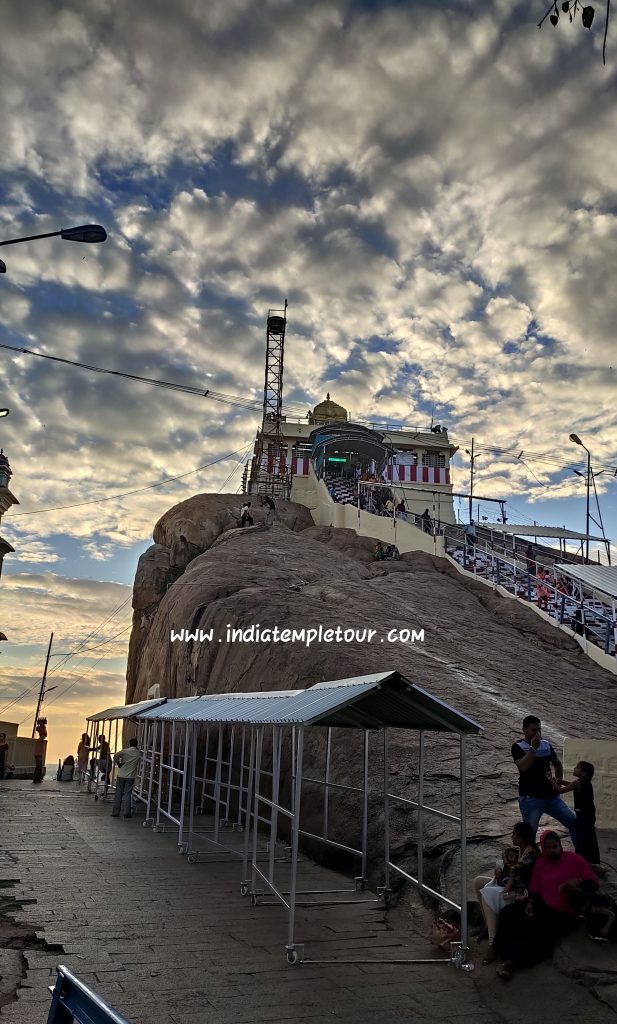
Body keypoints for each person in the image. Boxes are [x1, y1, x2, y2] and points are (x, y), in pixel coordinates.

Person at [493, 830, 599, 979]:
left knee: (537, 933)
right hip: (542, 904)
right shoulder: (541, 863)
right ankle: (499, 951)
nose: (552, 851)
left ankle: (512, 963)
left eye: (554, 846)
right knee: (508, 913)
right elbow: (535, 887)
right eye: (547, 848)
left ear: (560, 845)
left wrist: (578, 882)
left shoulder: (574, 860)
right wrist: (530, 903)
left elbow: (593, 884)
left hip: (565, 911)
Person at [474, 823, 539, 961]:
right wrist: (499, 872)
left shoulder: (531, 854)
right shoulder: (521, 850)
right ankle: (489, 925)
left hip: (522, 892)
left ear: (521, 837)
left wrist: (504, 865)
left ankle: (493, 943)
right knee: (478, 882)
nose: (512, 836)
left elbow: (517, 871)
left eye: (514, 834)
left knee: (488, 893)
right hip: (511, 885)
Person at [511, 715, 577, 844]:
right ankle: (529, 862)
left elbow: (557, 763)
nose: (537, 733)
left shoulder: (546, 745)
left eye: (539, 730)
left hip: (552, 798)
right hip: (531, 798)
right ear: (524, 730)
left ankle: (580, 857)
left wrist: (557, 781)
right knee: (529, 834)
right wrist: (533, 748)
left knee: (574, 822)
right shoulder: (518, 746)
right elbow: (523, 767)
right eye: (533, 730)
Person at [553, 761, 601, 867]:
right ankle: (593, 860)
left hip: (583, 816)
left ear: (583, 773)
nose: (574, 768)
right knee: (589, 837)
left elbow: (561, 790)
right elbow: (570, 785)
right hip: (589, 814)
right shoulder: (585, 783)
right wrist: (560, 780)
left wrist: (550, 781)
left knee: (581, 838)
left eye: (577, 767)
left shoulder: (577, 783)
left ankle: (582, 860)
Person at [111, 738, 141, 819]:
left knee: (119, 794)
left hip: (121, 775)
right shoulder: (138, 753)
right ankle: (127, 813)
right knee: (128, 794)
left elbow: (115, 755)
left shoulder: (124, 751)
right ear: (136, 744)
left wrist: (119, 763)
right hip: (130, 776)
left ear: (129, 743)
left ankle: (115, 812)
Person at [32, 718, 47, 784]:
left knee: (39, 765)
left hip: (38, 751)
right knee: (39, 765)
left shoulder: (42, 728)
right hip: (39, 751)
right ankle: (37, 778)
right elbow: (44, 734)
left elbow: (42, 733)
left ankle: (37, 778)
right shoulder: (43, 729)